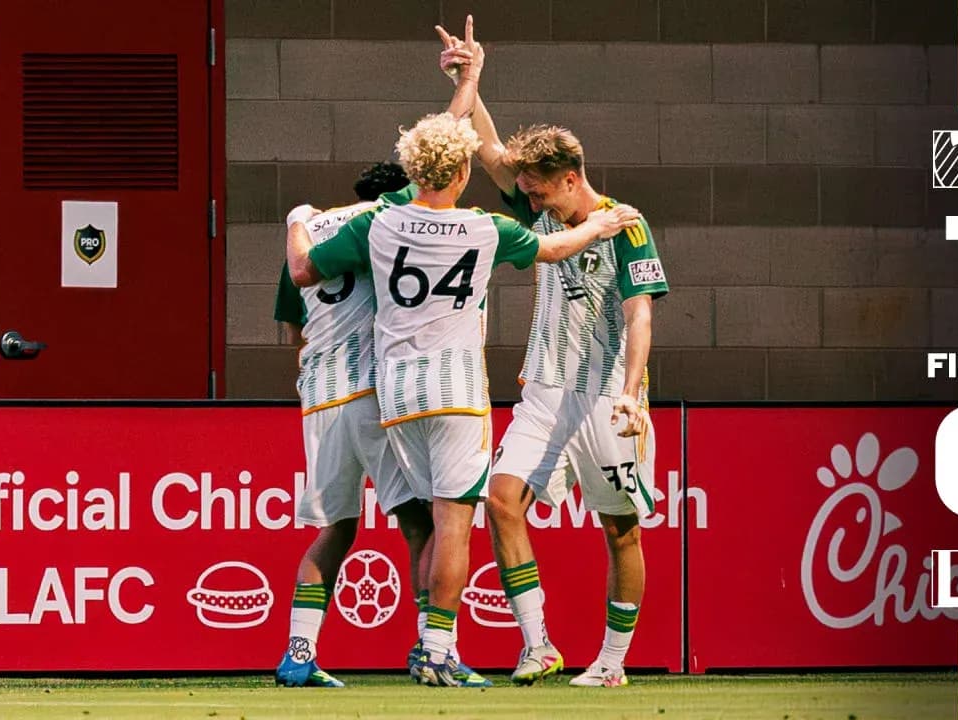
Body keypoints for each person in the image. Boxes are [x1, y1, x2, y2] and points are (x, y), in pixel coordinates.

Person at [287, 23, 642, 687]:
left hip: (393, 395)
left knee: (421, 522)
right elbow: (553, 248)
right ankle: (438, 649)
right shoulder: (485, 228)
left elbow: (305, 271)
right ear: (458, 171)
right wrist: (598, 223)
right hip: (455, 391)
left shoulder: (379, 219)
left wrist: (294, 224)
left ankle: (430, 645)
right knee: (454, 524)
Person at [437, 24, 670, 688]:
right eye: (528, 191)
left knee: (620, 530)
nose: (530, 198)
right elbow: (489, 154)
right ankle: (538, 644)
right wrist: (469, 80)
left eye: (540, 189)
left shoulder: (625, 222)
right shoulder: (540, 214)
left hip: (604, 399)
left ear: (572, 178)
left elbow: (640, 310)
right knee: (501, 501)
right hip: (542, 390)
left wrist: (631, 390)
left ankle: (614, 663)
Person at [271, 161, 435, 688]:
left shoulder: (311, 229)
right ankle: (431, 646)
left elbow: (291, 327)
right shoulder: (387, 221)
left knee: (336, 526)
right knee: (421, 524)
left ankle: (299, 653)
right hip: (371, 391)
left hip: (318, 395)